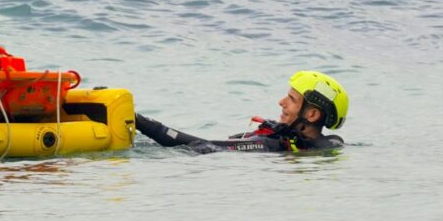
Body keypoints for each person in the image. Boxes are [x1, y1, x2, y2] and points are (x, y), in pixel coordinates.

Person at [135, 71, 348, 153]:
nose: (281, 102)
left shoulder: (272, 144)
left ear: (311, 115)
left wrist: (142, 123)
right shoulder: (328, 143)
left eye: (291, 99)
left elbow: (205, 146)